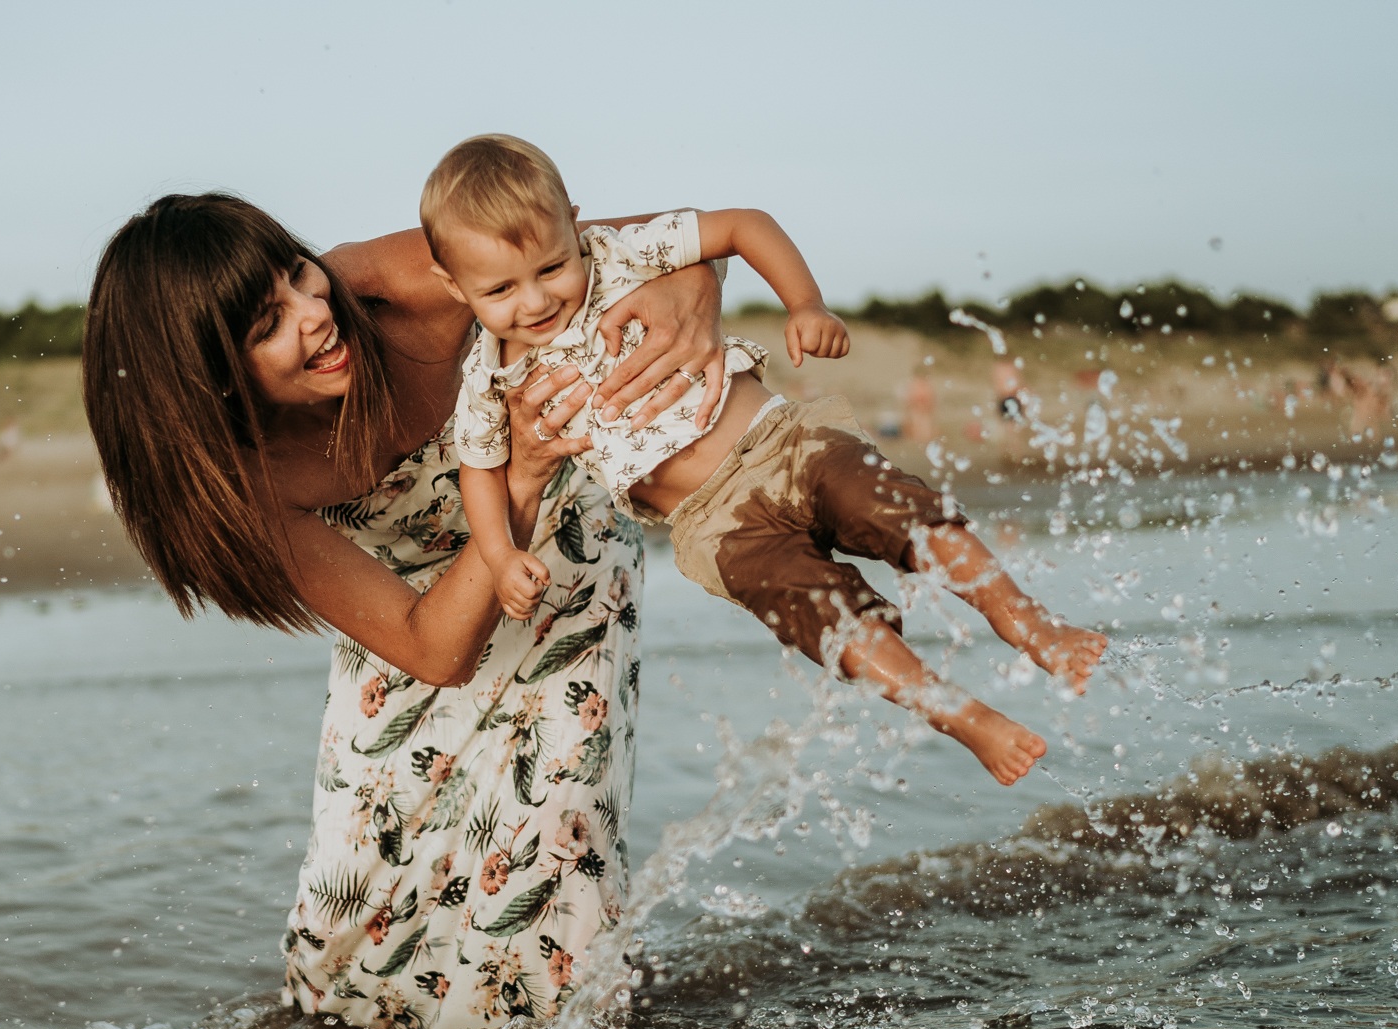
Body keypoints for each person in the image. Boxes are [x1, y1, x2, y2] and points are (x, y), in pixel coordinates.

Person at [81, 192, 726, 1029]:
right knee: (356, 909)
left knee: (552, 852)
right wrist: (517, 474)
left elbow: (667, 239)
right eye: (269, 322)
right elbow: (432, 648)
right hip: (413, 629)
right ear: (210, 375)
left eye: (299, 274)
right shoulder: (249, 477)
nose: (318, 315)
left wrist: (698, 293)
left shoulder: (388, 283)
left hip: (557, 581)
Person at [423, 135, 1106, 787]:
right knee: (822, 615)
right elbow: (479, 468)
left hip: (785, 444)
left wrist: (804, 302)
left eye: (550, 268)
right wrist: (501, 552)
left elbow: (743, 225)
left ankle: (1022, 617)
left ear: (575, 227)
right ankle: (963, 716)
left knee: (891, 507)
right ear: (455, 288)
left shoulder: (621, 252)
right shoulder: (490, 378)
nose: (536, 300)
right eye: (500, 291)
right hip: (709, 521)